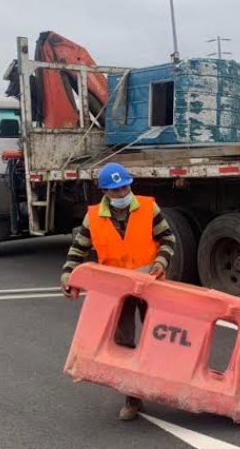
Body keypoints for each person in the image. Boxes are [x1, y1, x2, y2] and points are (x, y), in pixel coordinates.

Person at [60, 162, 176, 421]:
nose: (122, 194)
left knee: (157, 338)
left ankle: (165, 387)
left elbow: (168, 238)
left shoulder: (148, 208)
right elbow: (78, 249)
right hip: (117, 292)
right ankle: (133, 397)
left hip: (150, 286)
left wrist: (160, 263)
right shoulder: (93, 217)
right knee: (124, 343)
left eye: (125, 188)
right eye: (116, 191)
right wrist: (68, 274)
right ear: (105, 192)